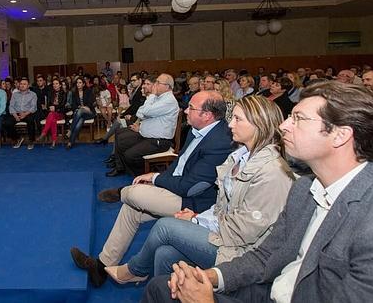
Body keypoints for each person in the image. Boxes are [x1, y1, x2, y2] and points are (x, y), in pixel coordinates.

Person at [142, 81, 373, 303]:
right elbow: (265, 256)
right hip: (275, 287)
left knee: (166, 243)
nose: (283, 126)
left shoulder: (366, 219)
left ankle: (133, 270)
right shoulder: (305, 189)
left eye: (298, 119)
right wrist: (211, 277)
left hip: (284, 289)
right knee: (163, 282)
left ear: (341, 135)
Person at [105, 96, 294, 285]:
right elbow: (221, 206)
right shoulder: (240, 156)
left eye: (238, 119)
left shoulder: (273, 171)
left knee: (165, 226)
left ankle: (134, 270)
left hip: (242, 251)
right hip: (224, 231)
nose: (229, 125)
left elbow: (245, 230)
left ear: (258, 124)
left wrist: (197, 221)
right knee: (164, 253)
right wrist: (197, 218)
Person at [70, 90, 233, 287]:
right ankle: (101, 266)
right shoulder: (196, 128)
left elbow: (189, 187)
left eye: (191, 108)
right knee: (131, 209)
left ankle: (122, 192)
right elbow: (177, 166)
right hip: (178, 190)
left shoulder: (220, 142)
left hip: (194, 203)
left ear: (207, 115)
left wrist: (155, 178)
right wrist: (158, 179)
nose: (186, 110)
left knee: (135, 193)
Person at [106, 73, 179, 177]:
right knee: (121, 138)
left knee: (129, 155)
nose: (155, 85)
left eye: (158, 83)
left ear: (167, 86)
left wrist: (151, 97)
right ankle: (121, 167)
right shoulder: (159, 98)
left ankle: (146, 177)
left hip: (159, 141)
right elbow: (140, 113)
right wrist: (147, 109)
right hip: (147, 134)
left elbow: (146, 112)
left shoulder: (168, 101)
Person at [95, 73, 146, 146]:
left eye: (134, 80)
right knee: (118, 120)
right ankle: (105, 139)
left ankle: (110, 145)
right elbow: (134, 106)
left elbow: (137, 108)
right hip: (134, 115)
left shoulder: (141, 91)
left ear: (140, 80)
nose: (132, 82)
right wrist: (123, 115)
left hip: (137, 119)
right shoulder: (137, 89)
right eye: (131, 80)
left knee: (119, 125)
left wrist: (125, 115)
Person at [3, 77, 37, 150]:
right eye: (21, 84)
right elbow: (11, 106)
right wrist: (15, 115)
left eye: (24, 84)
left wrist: (25, 114)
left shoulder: (33, 94)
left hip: (28, 113)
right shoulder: (15, 94)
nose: (22, 85)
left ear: (28, 86)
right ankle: (18, 138)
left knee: (31, 121)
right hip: (16, 114)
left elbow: (33, 107)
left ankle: (31, 141)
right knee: (7, 123)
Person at [66, 76, 96, 149]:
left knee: (80, 111)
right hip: (80, 114)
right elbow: (73, 105)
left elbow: (90, 103)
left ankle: (70, 130)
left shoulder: (88, 91)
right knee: (78, 123)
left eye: (80, 83)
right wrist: (81, 107)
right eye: (77, 83)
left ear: (83, 84)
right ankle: (70, 142)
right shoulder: (74, 93)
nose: (78, 84)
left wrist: (83, 107)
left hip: (90, 113)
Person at [36, 78, 66, 149]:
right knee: (53, 120)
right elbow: (48, 103)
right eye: (53, 84)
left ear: (60, 85)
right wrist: (50, 107)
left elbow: (63, 105)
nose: (55, 85)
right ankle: (53, 142)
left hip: (60, 113)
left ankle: (43, 134)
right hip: (51, 113)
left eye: (56, 84)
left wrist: (55, 107)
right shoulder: (50, 93)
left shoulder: (64, 93)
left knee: (51, 115)